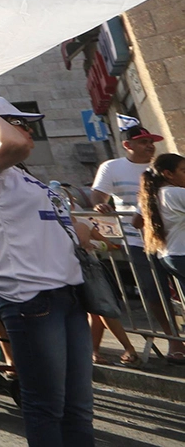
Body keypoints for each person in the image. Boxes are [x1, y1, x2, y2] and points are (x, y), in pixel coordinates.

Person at [0, 97, 95, 446]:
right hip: (30, 298)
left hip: (68, 294)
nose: (28, 130)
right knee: (47, 406)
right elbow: (15, 144)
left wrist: (80, 232)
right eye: (18, 121)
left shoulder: (22, 175)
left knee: (78, 407)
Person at [90, 124, 183, 361]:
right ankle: (174, 340)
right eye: (143, 141)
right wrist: (100, 205)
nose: (149, 145)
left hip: (171, 241)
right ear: (127, 145)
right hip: (137, 242)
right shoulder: (112, 167)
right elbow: (98, 195)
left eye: (151, 141)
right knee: (153, 291)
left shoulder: (160, 168)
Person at [142, 153, 185, 290]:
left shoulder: (154, 194)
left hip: (169, 255)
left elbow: (136, 221)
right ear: (168, 174)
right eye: (184, 171)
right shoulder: (176, 193)